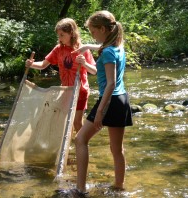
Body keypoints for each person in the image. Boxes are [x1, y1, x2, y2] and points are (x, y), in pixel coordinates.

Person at [70, 10, 133, 196]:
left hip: (110, 100)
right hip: (122, 100)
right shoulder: (118, 47)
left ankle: (80, 189)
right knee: (116, 149)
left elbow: (111, 83)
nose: (93, 36)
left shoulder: (106, 53)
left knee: (80, 140)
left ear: (103, 29)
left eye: (93, 32)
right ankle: (119, 186)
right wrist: (86, 47)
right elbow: (103, 49)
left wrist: (100, 112)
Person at [25, 18, 96, 133]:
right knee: (65, 122)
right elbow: (43, 65)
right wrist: (31, 64)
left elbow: (94, 71)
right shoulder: (58, 49)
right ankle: (69, 147)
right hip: (65, 90)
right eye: (58, 35)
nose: (60, 38)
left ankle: (81, 145)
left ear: (71, 33)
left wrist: (84, 63)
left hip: (80, 91)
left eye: (62, 35)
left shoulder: (82, 50)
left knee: (77, 122)